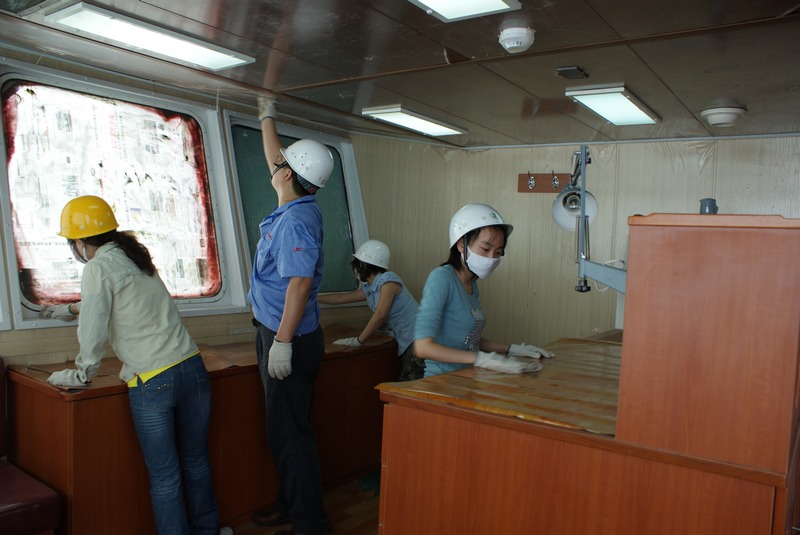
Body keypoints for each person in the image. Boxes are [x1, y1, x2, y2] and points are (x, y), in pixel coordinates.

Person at [45, 195, 231, 535]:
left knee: (165, 476)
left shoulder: (97, 267)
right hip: (191, 367)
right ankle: (208, 531)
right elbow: (123, 302)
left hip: (154, 379)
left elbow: (94, 328)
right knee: (197, 462)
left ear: (81, 242)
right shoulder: (134, 257)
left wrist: (82, 373)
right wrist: (72, 309)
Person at [249, 96, 334, 535]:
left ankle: (310, 525)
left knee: (290, 434)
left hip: (290, 337)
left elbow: (298, 284)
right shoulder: (295, 203)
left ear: (287, 175)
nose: (275, 165)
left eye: (280, 164)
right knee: (284, 429)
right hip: (284, 332)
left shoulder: (296, 221)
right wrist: (267, 113)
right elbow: (277, 159)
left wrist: (281, 342)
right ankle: (290, 503)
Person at [414, 203, 555, 377]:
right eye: (485, 249)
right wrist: (480, 359)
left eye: (498, 252)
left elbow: (465, 340)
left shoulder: (471, 284)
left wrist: (511, 349)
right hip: (440, 381)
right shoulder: (441, 278)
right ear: (461, 244)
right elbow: (423, 347)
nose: (491, 258)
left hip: (466, 378)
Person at [319, 239, 425, 381]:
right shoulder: (370, 287)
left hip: (419, 338)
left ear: (362, 265)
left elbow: (380, 314)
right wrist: (313, 297)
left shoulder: (388, 281)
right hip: (411, 339)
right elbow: (340, 298)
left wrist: (358, 341)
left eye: (356, 264)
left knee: (411, 385)